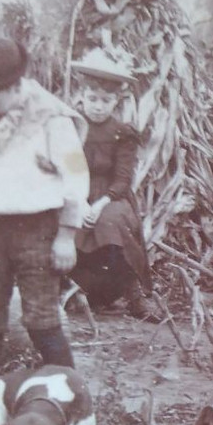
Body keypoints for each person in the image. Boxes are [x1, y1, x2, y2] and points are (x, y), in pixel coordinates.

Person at [0, 38, 88, 381]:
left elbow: (77, 175)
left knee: (42, 319)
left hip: (36, 231)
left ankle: (70, 395)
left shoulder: (54, 119)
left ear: (15, 87)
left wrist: (66, 235)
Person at [66, 49, 159, 321]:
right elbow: (70, 169)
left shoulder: (122, 133)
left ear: (116, 101)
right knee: (61, 219)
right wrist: (80, 202)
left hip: (111, 195)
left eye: (105, 101)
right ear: (81, 95)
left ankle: (134, 297)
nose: (97, 106)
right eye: (92, 99)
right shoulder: (71, 127)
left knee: (111, 221)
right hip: (76, 191)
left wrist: (102, 202)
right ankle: (68, 290)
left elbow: (122, 177)